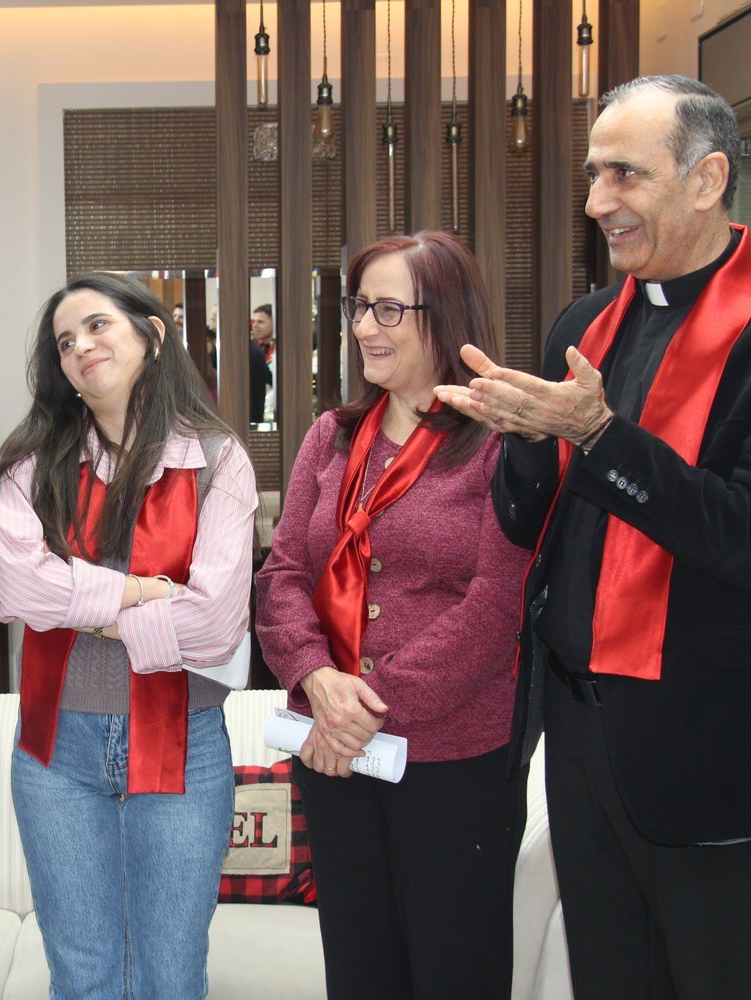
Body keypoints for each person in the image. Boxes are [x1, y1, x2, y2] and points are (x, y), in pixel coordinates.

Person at [436, 75, 751, 1000]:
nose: (597, 203)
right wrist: (523, 440)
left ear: (707, 180)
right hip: (585, 738)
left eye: (624, 174)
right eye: (594, 175)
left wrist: (597, 435)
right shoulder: (584, 325)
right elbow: (531, 525)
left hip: (719, 746)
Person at [256, 232, 529, 999]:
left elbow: (495, 607)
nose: (363, 328)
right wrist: (316, 679)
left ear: (446, 317)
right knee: (360, 969)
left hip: (454, 760)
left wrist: (363, 708)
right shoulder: (332, 437)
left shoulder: (503, 443)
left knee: (455, 970)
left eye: (387, 310)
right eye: (358, 307)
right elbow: (283, 575)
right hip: (334, 758)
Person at [0, 272, 256, 999]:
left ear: (153, 334)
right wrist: (146, 592)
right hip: (56, 752)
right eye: (64, 342)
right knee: (83, 979)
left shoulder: (217, 459)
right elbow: (15, 590)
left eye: (98, 325)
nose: (80, 347)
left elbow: (216, 624)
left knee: (172, 978)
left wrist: (78, 606)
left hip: (183, 743)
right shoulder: (30, 463)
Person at [250, 302, 275, 423]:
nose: (255, 325)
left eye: (260, 322)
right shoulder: (253, 350)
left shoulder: (284, 352)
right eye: (253, 321)